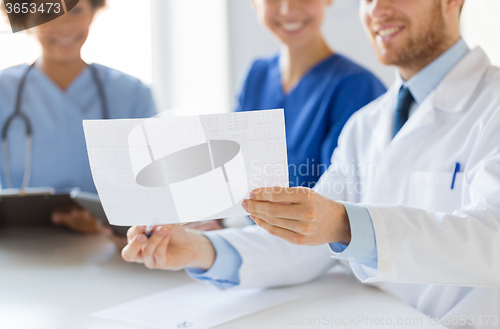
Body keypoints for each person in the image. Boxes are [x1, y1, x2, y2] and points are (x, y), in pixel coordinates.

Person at [123, 0, 500, 327]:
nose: (377, 11)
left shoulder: (492, 105)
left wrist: (345, 225)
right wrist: (200, 248)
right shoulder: (366, 124)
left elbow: (491, 239)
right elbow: (308, 237)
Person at [188, 0, 386, 231]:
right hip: (250, 245)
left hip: (316, 257)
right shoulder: (256, 76)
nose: (287, 10)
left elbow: (336, 207)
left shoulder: (356, 87)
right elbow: (234, 177)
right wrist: (215, 221)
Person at [0, 0, 156, 234]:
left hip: (113, 253)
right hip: (18, 248)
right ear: (24, 21)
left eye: (76, 10)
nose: (64, 25)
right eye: (46, 12)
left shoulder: (132, 94)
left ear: (93, 12)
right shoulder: (4, 91)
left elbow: (155, 191)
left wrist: (104, 223)